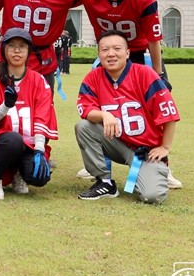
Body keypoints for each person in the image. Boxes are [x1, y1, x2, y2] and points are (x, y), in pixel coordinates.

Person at [55, 0, 182, 188]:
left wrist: (158, 73)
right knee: (101, 106)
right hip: (108, 55)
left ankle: (161, 164)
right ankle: (99, 163)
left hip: (138, 54)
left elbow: (153, 39)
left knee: (150, 109)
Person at [75, 30, 180, 203]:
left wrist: (165, 147)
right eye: (105, 49)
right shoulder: (93, 77)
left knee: (152, 196)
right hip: (117, 144)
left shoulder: (145, 74)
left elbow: (168, 114)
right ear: (99, 54)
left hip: (145, 151)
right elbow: (86, 110)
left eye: (117, 48)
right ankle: (105, 182)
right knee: (84, 127)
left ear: (127, 53)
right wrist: (104, 114)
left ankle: (147, 174)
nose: (111, 54)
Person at [0, 28, 57, 200]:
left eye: (22, 46)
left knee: (39, 176)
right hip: (3, 143)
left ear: (29, 51)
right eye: (11, 46)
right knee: (13, 140)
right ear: (4, 50)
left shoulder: (38, 80)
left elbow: (43, 115)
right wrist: (6, 106)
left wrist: (39, 150)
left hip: (29, 144)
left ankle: (19, 173)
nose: (17, 51)